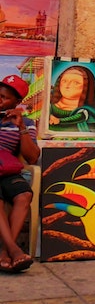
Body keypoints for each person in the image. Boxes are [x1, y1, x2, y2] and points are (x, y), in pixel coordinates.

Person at [0, 74, 38, 272]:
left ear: (17, 102)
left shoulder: (26, 123)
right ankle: (13, 251)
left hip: (6, 169)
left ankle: (4, 252)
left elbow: (32, 158)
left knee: (24, 195)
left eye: (4, 97)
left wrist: (21, 127)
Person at [48, 64, 95, 133]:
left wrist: (59, 121)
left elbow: (80, 117)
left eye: (75, 83)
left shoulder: (85, 110)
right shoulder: (50, 107)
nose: (67, 85)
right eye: (64, 81)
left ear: (86, 87)